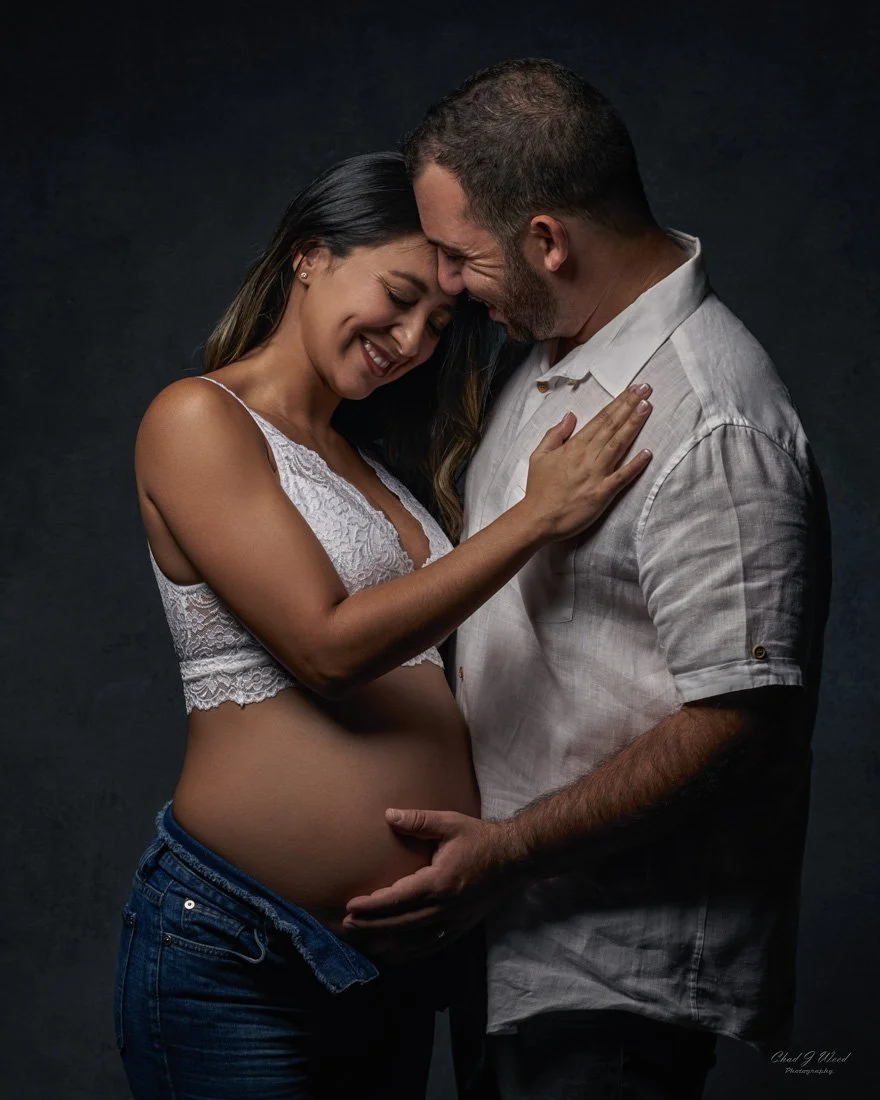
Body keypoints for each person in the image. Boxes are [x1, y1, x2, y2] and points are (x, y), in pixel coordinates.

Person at [112, 150, 655, 1099]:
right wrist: (537, 517)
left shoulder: (375, 465)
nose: (410, 339)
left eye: (439, 323)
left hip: (392, 964)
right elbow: (328, 649)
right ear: (310, 258)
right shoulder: (197, 419)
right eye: (398, 297)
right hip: (240, 950)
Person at [343, 62, 831, 1099]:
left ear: (548, 240)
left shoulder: (712, 421)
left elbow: (736, 724)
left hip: (609, 980)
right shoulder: (559, 344)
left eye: (459, 255)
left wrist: (505, 850)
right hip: (509, 946)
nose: (446, 283)